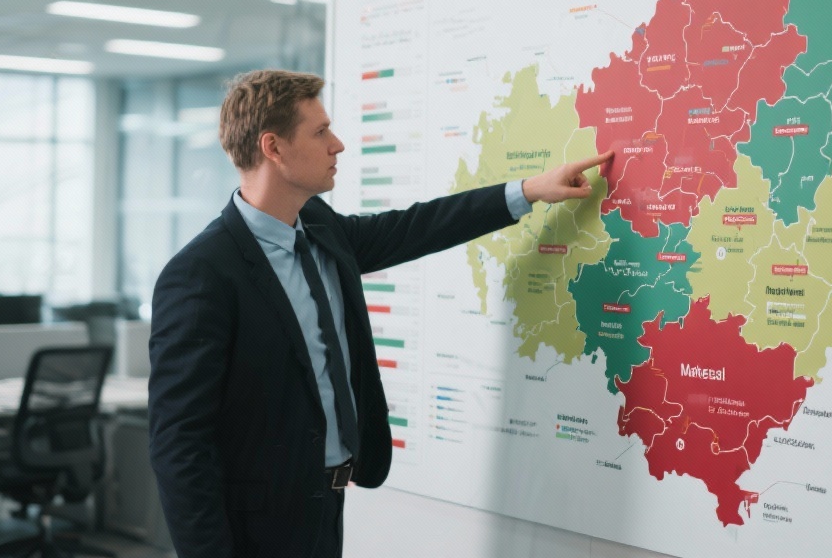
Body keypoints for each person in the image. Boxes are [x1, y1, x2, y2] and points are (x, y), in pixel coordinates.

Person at [148, 69, 611, 558]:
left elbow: (413, 228)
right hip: (253, 527)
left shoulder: (320, 229)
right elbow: (179, 446)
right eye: (320, 132)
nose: (338, 145)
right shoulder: (201, 275)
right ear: (274, 149)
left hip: (325, 507)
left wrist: (530, 189)